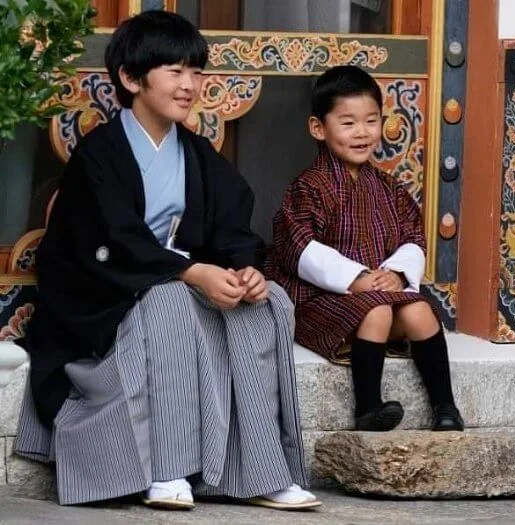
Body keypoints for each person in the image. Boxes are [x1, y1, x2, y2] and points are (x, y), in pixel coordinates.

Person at [14, 10, 320, 511]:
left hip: (177, 285)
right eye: (174, 71)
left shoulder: (197, 153)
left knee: (267, 303)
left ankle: (263, 470)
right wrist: (189, 271)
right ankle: (167, 469)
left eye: (195, 72)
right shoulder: (101, 154)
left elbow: (232, 225)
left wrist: (245, 269)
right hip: (106, 307)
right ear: (131, 78)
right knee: (170, 300)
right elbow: (110, 240)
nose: (189, 85)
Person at [266, 65, 464, 433]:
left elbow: (413, 237)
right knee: (378, 312)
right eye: (348, 123)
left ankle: (445, 406)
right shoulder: (309, 188)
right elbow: (298, 247)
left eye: (370, 121)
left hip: (380, 293)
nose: (362, 133)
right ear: (318, 128)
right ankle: (368, 407)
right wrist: (356, 279)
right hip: (323, 296)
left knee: (420, 310)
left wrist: (397, 274)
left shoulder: (389, 188)